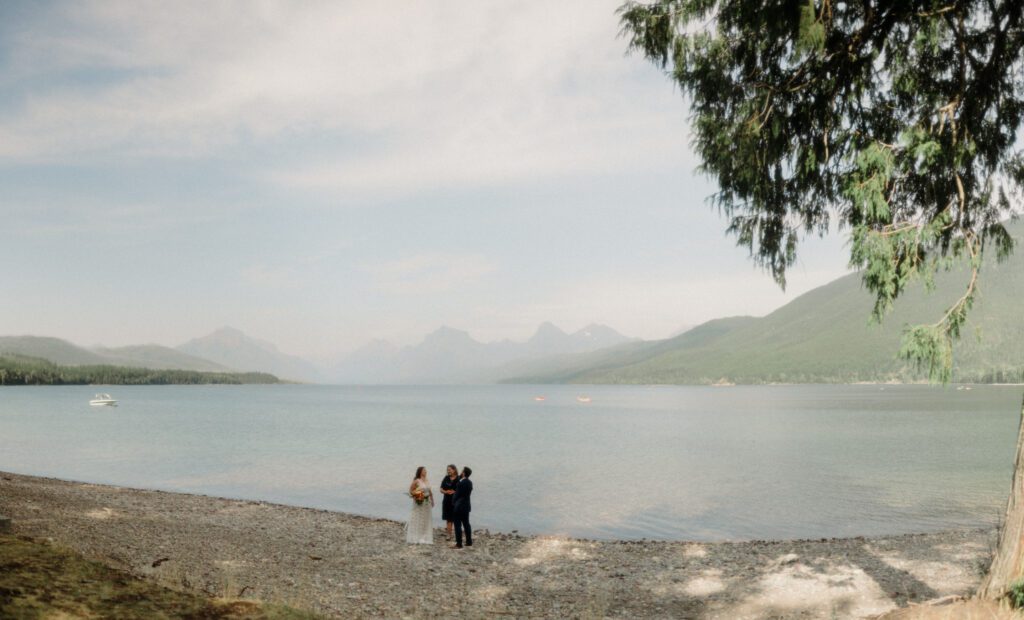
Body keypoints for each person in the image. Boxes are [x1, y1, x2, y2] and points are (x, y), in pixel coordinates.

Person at [405, 466, 434, 544]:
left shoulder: (427, 480)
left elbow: (429, 490)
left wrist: (432, 500)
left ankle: (425, 537)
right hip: (419, 502)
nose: (425, 471)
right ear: (420, 471)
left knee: (426, 519)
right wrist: (416, 496)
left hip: (427, 503)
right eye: (424, 470)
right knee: (418, 518)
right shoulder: (417, 481)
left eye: (426, 470)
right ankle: (416, 537)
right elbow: (411, 490)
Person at [451, 466, 473, 549]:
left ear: (463, 473)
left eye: (462, 471)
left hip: (459, 506)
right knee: (466, 523)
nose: (460, 472)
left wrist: (453, 502)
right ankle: (469, 541)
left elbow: (457, 494)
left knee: (457, 525)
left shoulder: (460, 483)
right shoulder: (470, 482)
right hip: (466, 505)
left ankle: (459, 544)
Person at [439, 464, 459, 539]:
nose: (448, 471)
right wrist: (445, 492)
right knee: (448, 518)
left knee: (455, 518)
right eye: (447, 470)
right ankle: (449, 534)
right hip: (447, 500)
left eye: (450, 469)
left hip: (456, 501)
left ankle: (456, 533)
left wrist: (455, 492)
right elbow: (441, 489)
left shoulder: (458, 478)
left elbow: (462, 490)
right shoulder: (446, 478)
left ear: (454, 470)